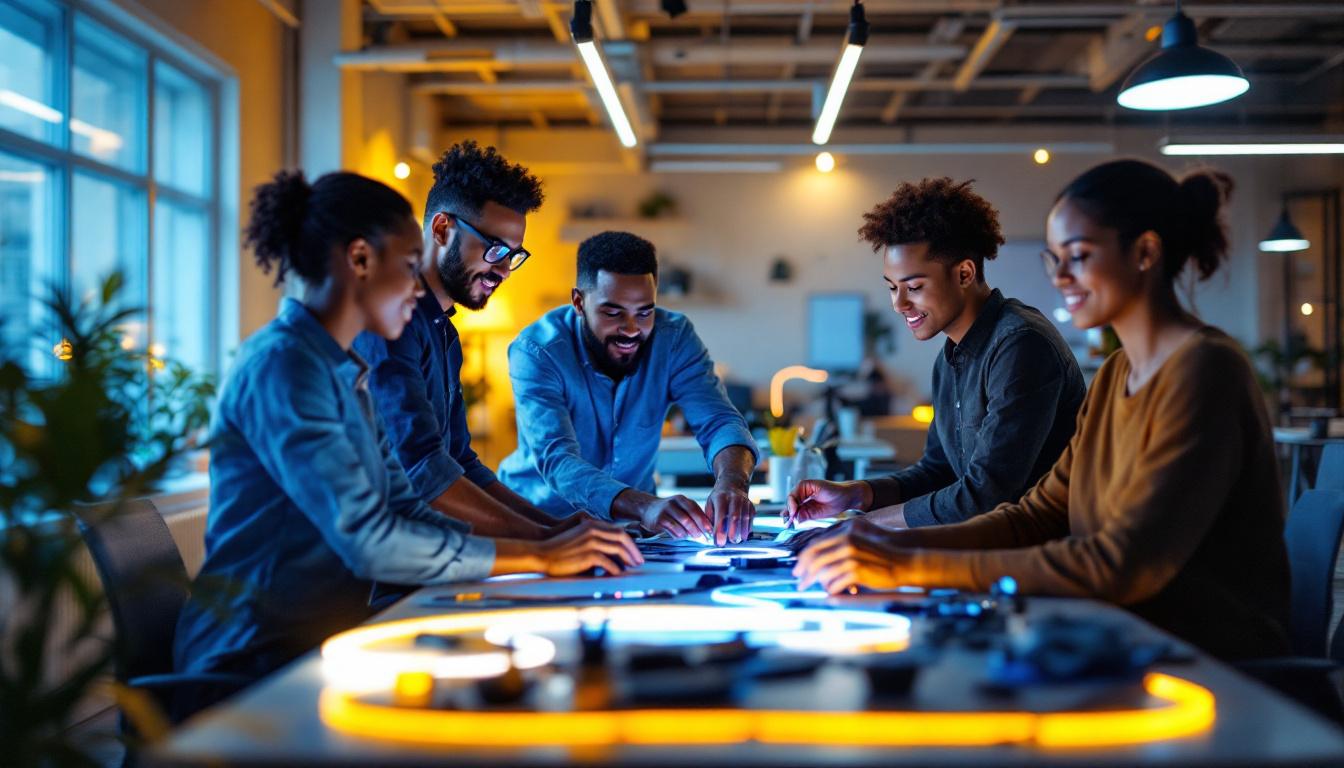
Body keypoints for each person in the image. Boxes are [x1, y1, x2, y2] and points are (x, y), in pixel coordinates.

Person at [794, 160, 1290, 661]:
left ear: (1145, 252)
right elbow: (1033, 515)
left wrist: (907, 562)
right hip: (1115, 630)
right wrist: (886, 546)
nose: (1062, 279)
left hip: (1206, 657)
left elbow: (1118, 563)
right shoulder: (1118, 372)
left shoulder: (1205, 368)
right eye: (1055, 261)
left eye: (1078, 257)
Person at [175, 171, 641, 683]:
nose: (417, 287)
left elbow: (406, 507)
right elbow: (371, 539)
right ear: (359, 260)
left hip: (320, 637)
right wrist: (537, 552)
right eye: (408, 267)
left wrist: (547, 545)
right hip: (253, 659)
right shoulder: (284, 366)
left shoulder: (343, 370)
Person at [787, 178, 1085, 530]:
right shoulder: (949, 359)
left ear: (964, 273)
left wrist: (862, 526)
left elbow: (984, 496)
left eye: (914, 287)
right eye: (892, 288)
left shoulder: (1021, 344)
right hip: (983, 550)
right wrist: (855, 496)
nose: (899, 304)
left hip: (1040, 558)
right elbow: (938, 471)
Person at [354, 141, 578, 540]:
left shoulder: (444, 332)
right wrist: (546, 541)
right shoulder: (392, 322)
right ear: (442, 229)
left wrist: (557, 526)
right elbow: (421, 467)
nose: (504, 271)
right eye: (494, 249)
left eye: (513, 255)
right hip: (354, 577)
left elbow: (460, 462)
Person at [497, 231, 759, 545]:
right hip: (540, 524)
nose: (631, 330)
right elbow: (558, 459)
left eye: (644, 312)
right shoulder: (537, 351)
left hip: (635, 531)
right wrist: (645, 506)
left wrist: (732, 483)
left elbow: (720, 421)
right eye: (613, 312)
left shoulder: (674, 339)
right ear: (579, 302)